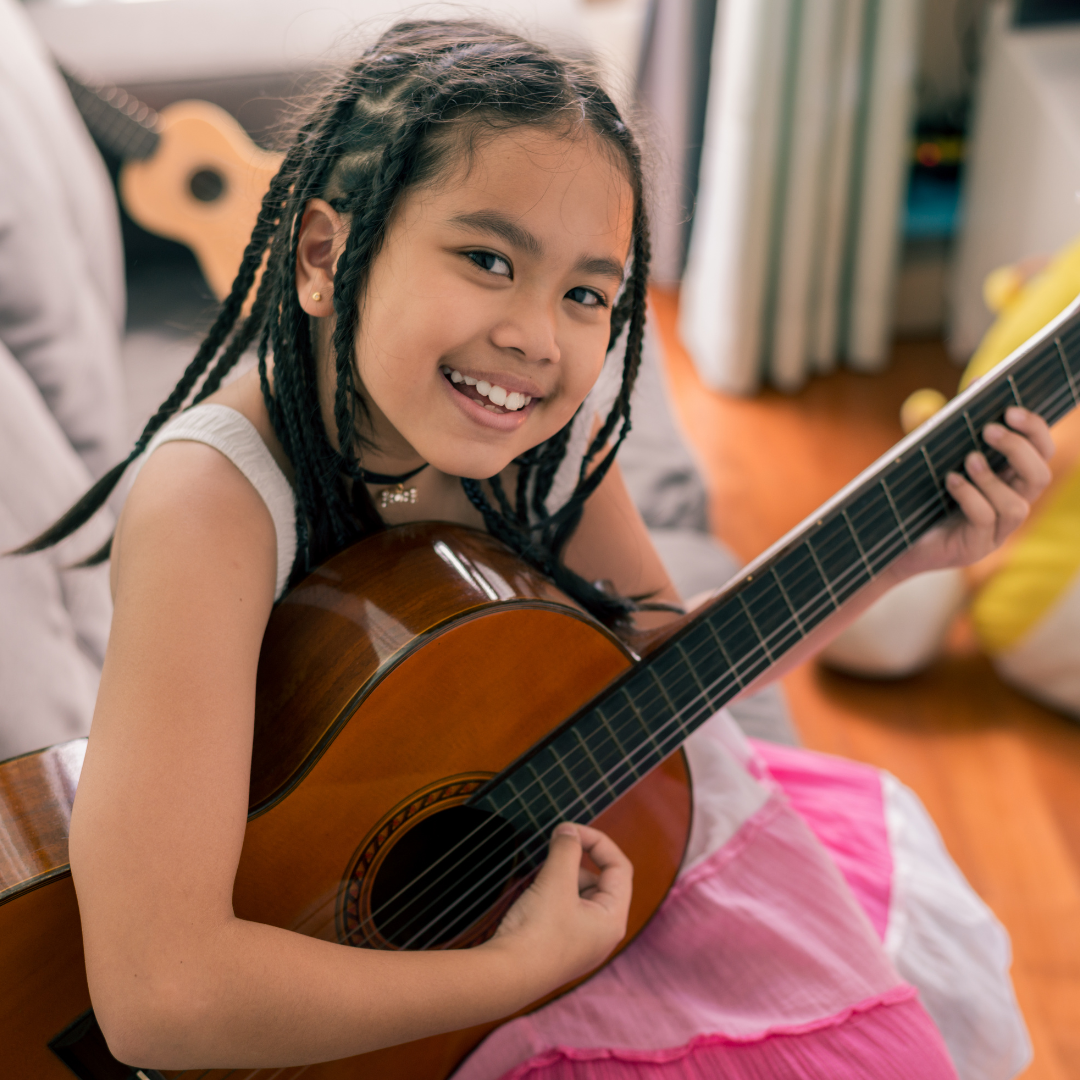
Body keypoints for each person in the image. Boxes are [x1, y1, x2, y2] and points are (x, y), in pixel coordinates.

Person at [20, 20, 1051, 1077]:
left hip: (577, 885)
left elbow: (667, 674)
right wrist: (513, 972)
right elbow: (157, 999)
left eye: (586, 294)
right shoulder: (213, 501)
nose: (536, 338)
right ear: (326, 254)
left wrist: (906, 554)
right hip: (398, 988)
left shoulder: (526, 436)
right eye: (487, 259)